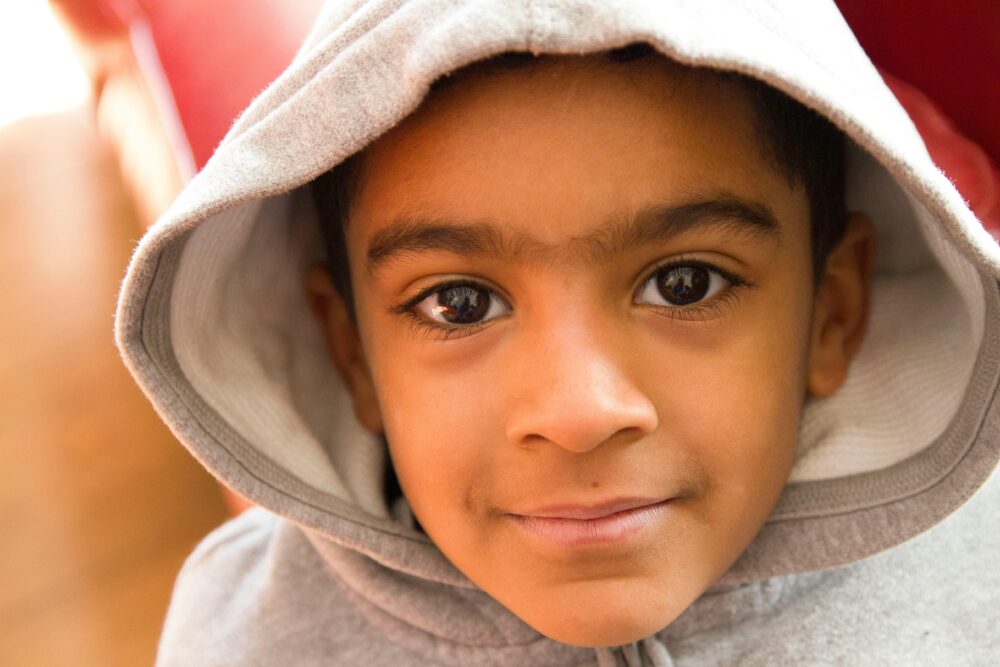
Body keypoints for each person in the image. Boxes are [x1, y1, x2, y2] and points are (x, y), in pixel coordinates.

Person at [114, 1, 1000, 665]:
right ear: (353, 353)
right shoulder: (238, 632)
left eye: (682, 283)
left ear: (831, 313)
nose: (579, 411)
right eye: (458, 303)